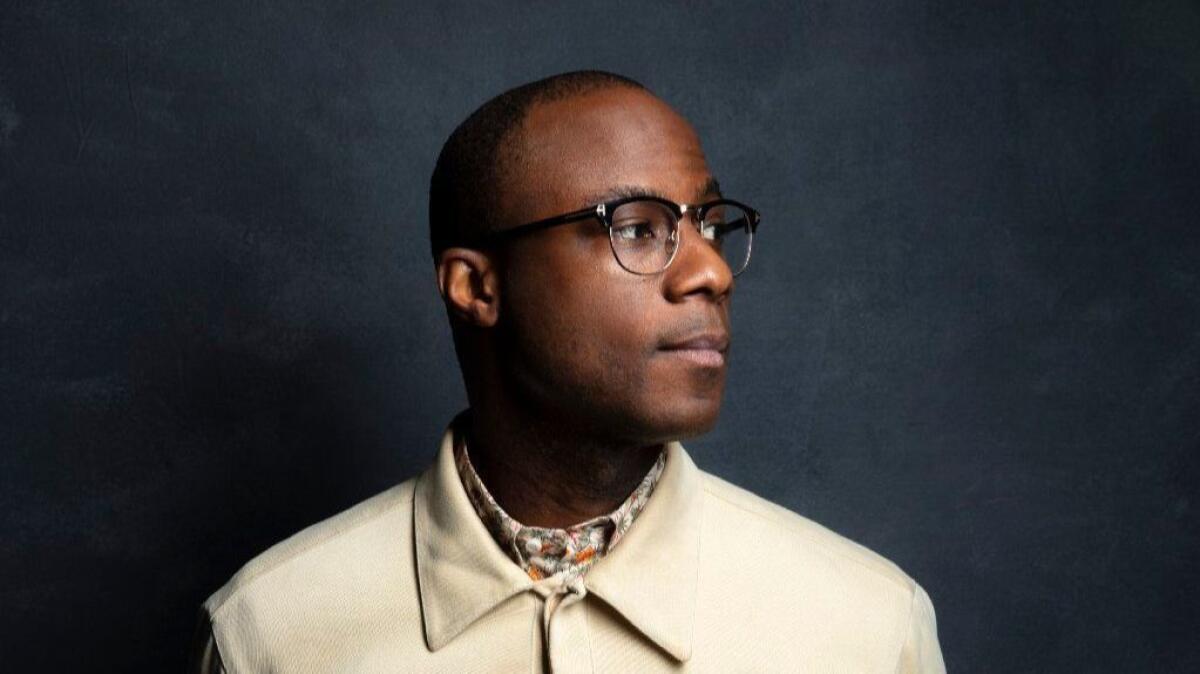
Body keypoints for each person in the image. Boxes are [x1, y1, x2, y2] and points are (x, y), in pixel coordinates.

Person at [190, 70, 946, 673]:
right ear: (477, 288)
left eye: (711, 225)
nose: (712, 270)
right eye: (638, 228)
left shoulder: (870, 628)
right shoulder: (272, 632)